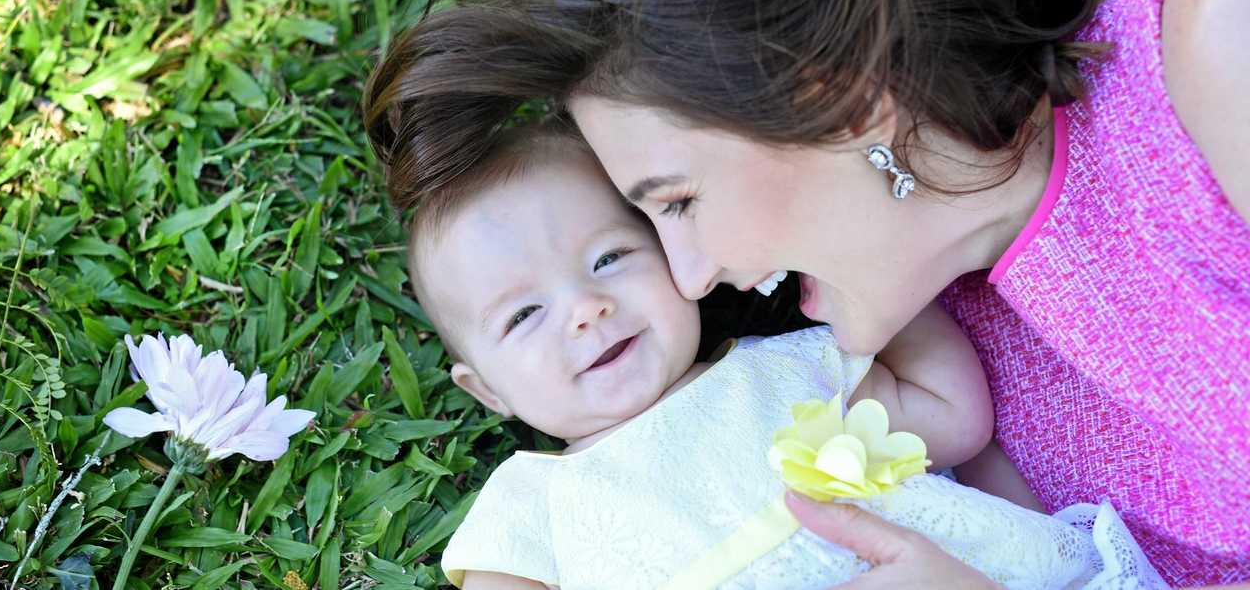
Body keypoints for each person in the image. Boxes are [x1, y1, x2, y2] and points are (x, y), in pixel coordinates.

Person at [364, 0, 1250, 584]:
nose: (690, 274)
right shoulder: (930, 348)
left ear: (833, 95)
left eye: (675, 202)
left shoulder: (1215, 59)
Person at [370, 116, 1161, 589]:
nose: (586, 311)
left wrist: (868, 287)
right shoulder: (533, 499)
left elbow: (954, 417)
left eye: (610, 258)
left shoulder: (788, 372)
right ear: (487, 392)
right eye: (524, 315)